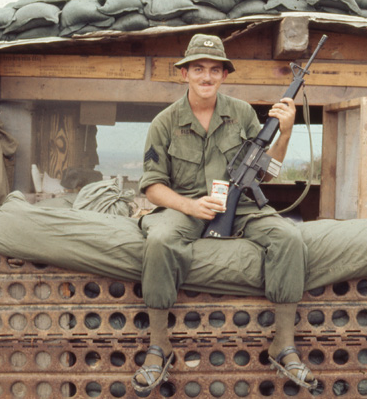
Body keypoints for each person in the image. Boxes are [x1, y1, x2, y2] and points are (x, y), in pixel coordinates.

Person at [132, 33, 317, 393]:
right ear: (184, 73)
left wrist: (286, 132)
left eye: (214, 70)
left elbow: (266, 171)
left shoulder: (243, 114)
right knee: (159, 241)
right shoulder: (164, 123)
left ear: (224, 76)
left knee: (289, 236)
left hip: (243, 204)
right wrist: (190, 206)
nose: (206, 77)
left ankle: (284, 343)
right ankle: (159, 346)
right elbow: (152, 186)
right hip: (185, 205)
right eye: (198, 68)